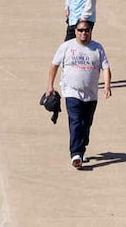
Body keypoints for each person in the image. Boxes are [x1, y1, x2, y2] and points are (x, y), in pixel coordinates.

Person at [47, 17, 112, 168]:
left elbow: (106, 68)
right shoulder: (66, 47)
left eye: (86, 30)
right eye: (80, 30)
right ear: (75, 32)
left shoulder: (97, 48)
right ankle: (75, 154)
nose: (83, 33)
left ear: (90, 32)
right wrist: (50, 86)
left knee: (86, 124)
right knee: (75, 121)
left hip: (91, 94)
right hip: (71, 91)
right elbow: (54, 65)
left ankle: (81, 149)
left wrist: (107, 86)